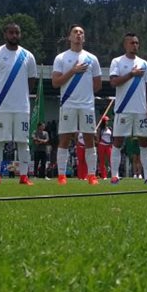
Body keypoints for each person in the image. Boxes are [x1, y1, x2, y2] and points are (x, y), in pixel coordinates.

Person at [0, 21, 39, 186]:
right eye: (11, 32)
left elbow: (31, 81)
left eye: (17, 32)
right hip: (1, 107)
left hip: (22, 107)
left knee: (23, 142)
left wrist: (19, 96)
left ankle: (23, 177)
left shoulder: (28, 56)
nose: (14, 35)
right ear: (5, 34)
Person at [51, 24, 102, 186]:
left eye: (81, 32)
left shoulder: (92, 58)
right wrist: (73, 71)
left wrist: (85, 95)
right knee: (65, 139)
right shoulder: (61, 58)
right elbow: (55, 82)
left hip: (87, 105)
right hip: (68, 104)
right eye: (75, 32)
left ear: (84, 38)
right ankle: (61, 175)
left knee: (89, 140)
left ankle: (92, 175)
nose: (78, 35)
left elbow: (98, 84)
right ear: (69, 37)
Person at [108, 33, 147, 184]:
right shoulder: (117, 61)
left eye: (137, 43)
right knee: (118, 141)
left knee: (144, 142)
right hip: (123, 109)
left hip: (141, 110)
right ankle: (114, 175)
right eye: (131, 43)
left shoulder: (144, 63)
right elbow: (113, 82)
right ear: (125, 45)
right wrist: (131, 74)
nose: (135, 45)